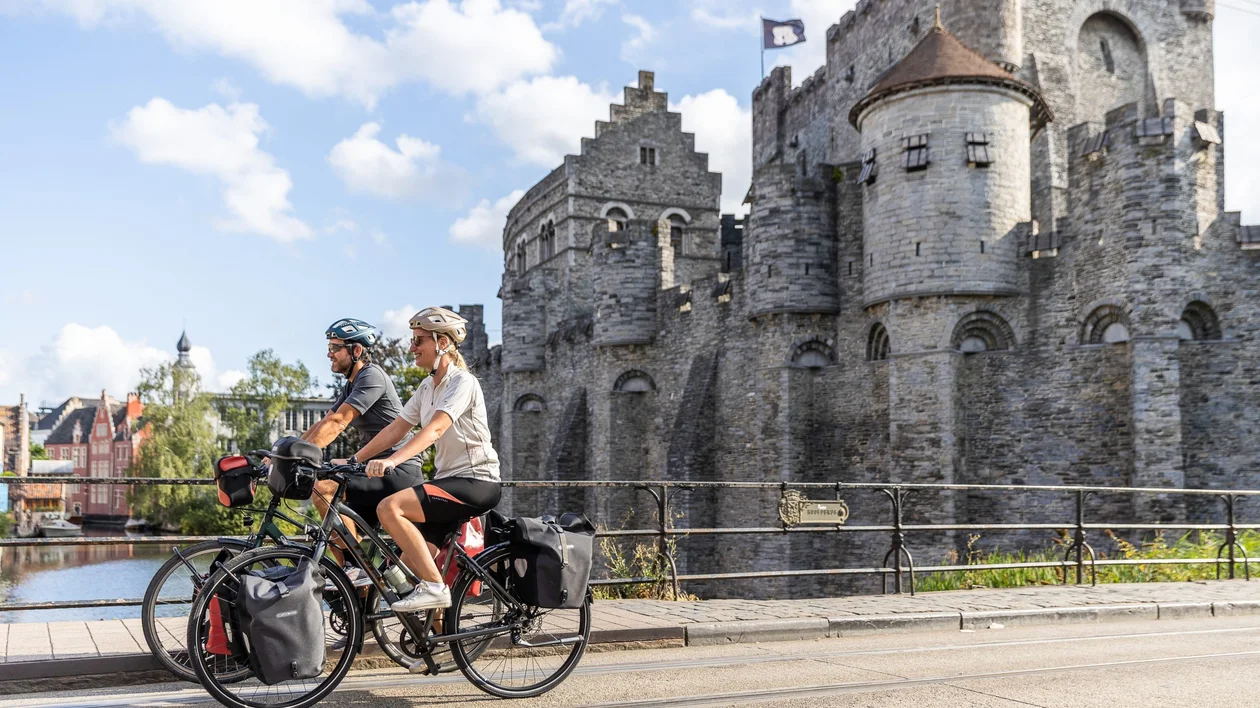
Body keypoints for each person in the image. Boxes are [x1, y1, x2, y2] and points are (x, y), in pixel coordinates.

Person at [355, 306, 501, 613]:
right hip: (449, 483)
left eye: (419, 340)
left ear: (442, 343)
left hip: (477, 482)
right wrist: (354, 460)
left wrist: (392, 461)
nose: (411, 347)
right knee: (407, 571)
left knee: (389, 507)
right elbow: (396, 428)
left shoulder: (463, 383)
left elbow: (435, 429)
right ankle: (438, 648)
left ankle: (436, 588)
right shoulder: (427, 387)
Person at [301, 318, 424, 582]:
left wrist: (299, 455)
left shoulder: (371, 376)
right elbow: (323, 422)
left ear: (356, 351)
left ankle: (355, 568)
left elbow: (338, 422)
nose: (328, 353)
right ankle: (360, 582)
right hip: (374, 469)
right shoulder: (352, 384)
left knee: (325, 489)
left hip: (400, 468)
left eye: (335, 347)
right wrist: (286, 452)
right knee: (339, 524)